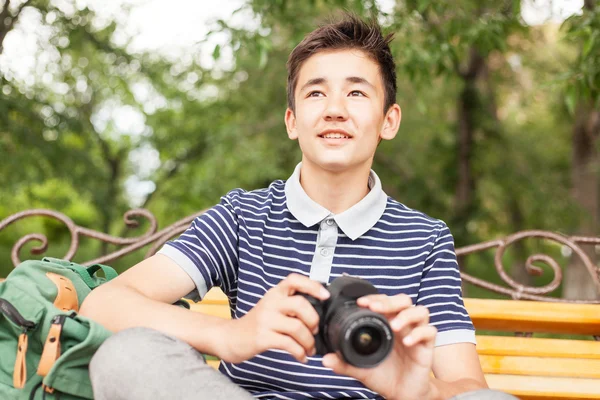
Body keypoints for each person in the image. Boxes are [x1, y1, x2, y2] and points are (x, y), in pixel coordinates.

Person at [80, 13, 517, 400]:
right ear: (292, 122)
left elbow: (469, 387)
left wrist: (422, 392)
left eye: (357, 93)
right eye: (314, 94)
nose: (334, 110)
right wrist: (231, 336)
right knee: (128, 354)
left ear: (389, 120)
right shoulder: (243, 217)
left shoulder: (425, 239)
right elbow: (104, 304)